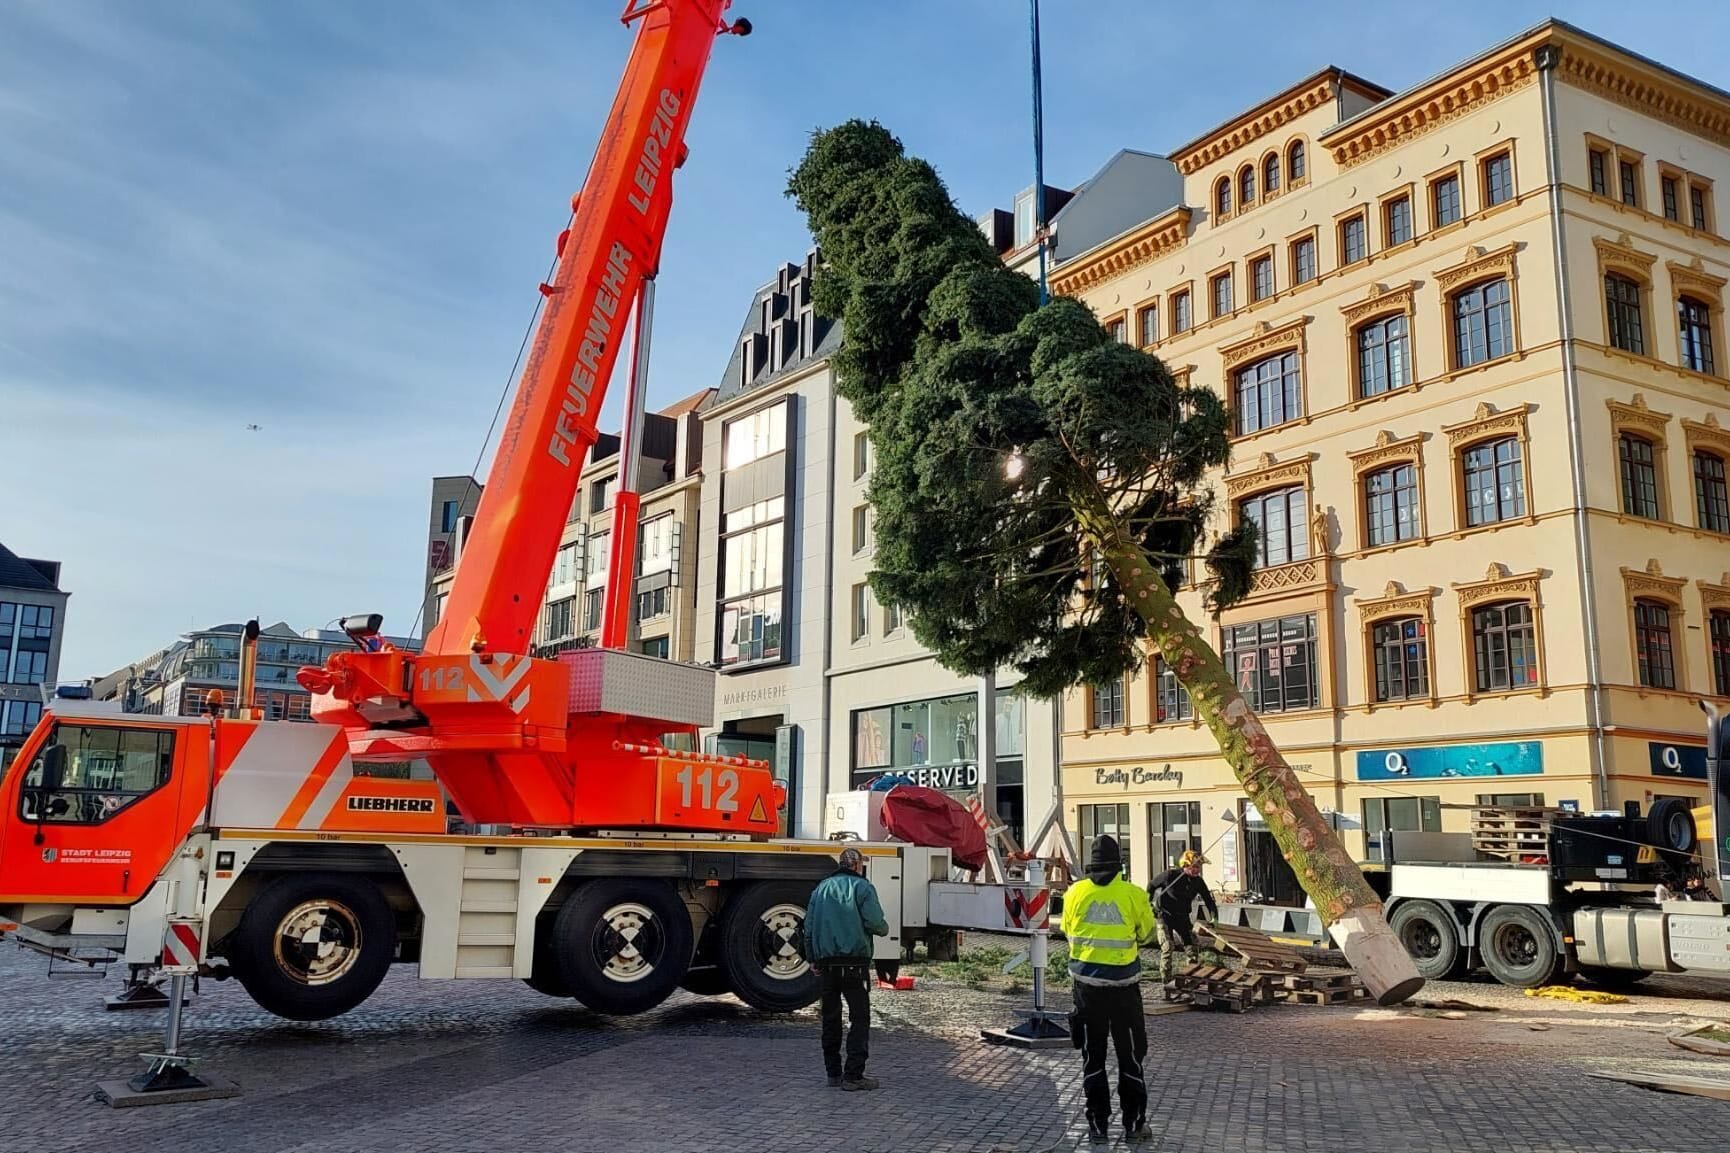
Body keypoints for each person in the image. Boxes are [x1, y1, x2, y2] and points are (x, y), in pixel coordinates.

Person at [1061, 834, 1156, 1144]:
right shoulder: (1133, 894)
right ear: (1120, 866)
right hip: (1124, 991)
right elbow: (1146, 933)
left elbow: (1067, 930)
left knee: (1093, 1058)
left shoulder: (1074, 893)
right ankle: (1134, 1125)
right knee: (1130, 1058)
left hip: (1086, 990)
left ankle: (1097, 1127)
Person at [805, 846, 888, 1090]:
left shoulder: (820, 889)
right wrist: (884, 929)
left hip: (827, 964)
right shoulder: (863, 887)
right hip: (854, 964)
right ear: (857, 865)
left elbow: (808, 928)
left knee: (830, 1019)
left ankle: (833, 1073)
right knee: (859, 1019)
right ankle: (853, 1076)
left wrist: (812, 958)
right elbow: (875, 923)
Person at [1147, 849, 1219, 998]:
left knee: (1192, 948)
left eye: (1199, 868)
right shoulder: (1170, 875)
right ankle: (1166, 983)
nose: (1197, 870)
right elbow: (1151, 886)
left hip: (1182, 917)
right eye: (1194, 867)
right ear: (1186, 865)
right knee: (1168, 946)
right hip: (1164, 915)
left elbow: (1208, 899)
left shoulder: (1198, 881)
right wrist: (1149, 904)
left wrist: (1214, 916)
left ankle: (1190, 982)